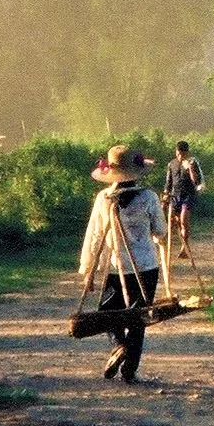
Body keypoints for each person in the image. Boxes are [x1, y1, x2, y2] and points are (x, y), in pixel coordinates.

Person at [78, 145, 167, 383]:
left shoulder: (103, 199)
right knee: (139, 318)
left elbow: (94, 236)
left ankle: (118, 344)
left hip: (115, 267)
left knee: (107, 313)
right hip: (145, 267)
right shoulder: (148, 197)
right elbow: (160, 232)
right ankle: (129, 371)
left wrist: (88, 271)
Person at [163, 140, 206, 257]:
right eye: (178, 154)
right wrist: (166, 196)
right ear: (176, 152)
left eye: (182, 154)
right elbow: (168, 183)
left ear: (186, 153)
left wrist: (190, 168)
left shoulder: (193, 163)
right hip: (175, 196)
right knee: (173, 222)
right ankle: (173, 246)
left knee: (183, 220)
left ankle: (185, 248)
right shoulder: (171, 164)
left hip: (188, 196)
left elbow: (196, 181)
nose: (180, 156)